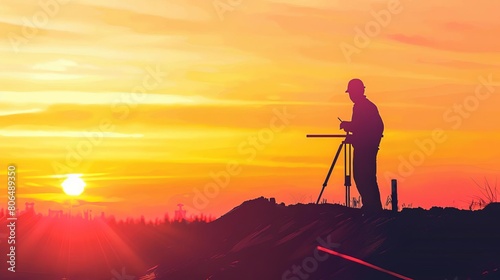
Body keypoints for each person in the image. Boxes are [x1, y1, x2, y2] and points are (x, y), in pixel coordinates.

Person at [339, 78, 384, 212]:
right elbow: (362, 128)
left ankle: (373, 207)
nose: (351, 96)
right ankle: (371, 206)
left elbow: (363, 127)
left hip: (365, 149)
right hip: (365, 147)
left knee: (364, 176)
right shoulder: (365, 106)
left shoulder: (364, 106)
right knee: (364, 176)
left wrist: (348, 126)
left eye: (352, 93)